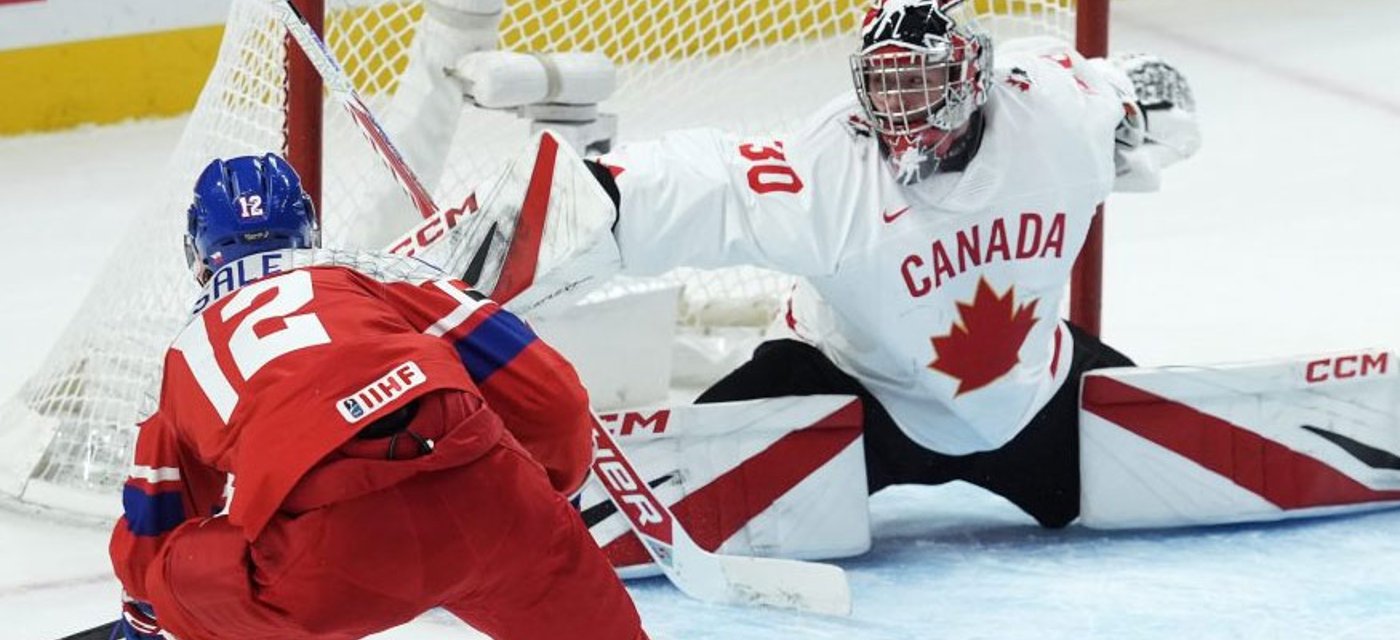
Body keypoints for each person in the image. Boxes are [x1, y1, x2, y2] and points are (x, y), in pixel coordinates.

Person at [588, 0, 1199, 529]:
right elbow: (714, 182)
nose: (900, 108)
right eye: (886, 83)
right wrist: (598, 195)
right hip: (852, 397)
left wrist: (1148, 112)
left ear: (969, 72)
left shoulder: (1058, 111)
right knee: (679, 482)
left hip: (1029, 398)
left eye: (920, 80)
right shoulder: (830, 165)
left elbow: (1137, 101)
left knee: (1182, 484)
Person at [107, 153, 646, 639]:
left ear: (196, 252)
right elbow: (553, 400)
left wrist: (147, 617)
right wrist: (545, 503)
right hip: (491, 499)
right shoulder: (380, 279)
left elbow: (153, 527)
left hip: (334, 566)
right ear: (308, 232)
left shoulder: (186, 355)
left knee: (171, 575)